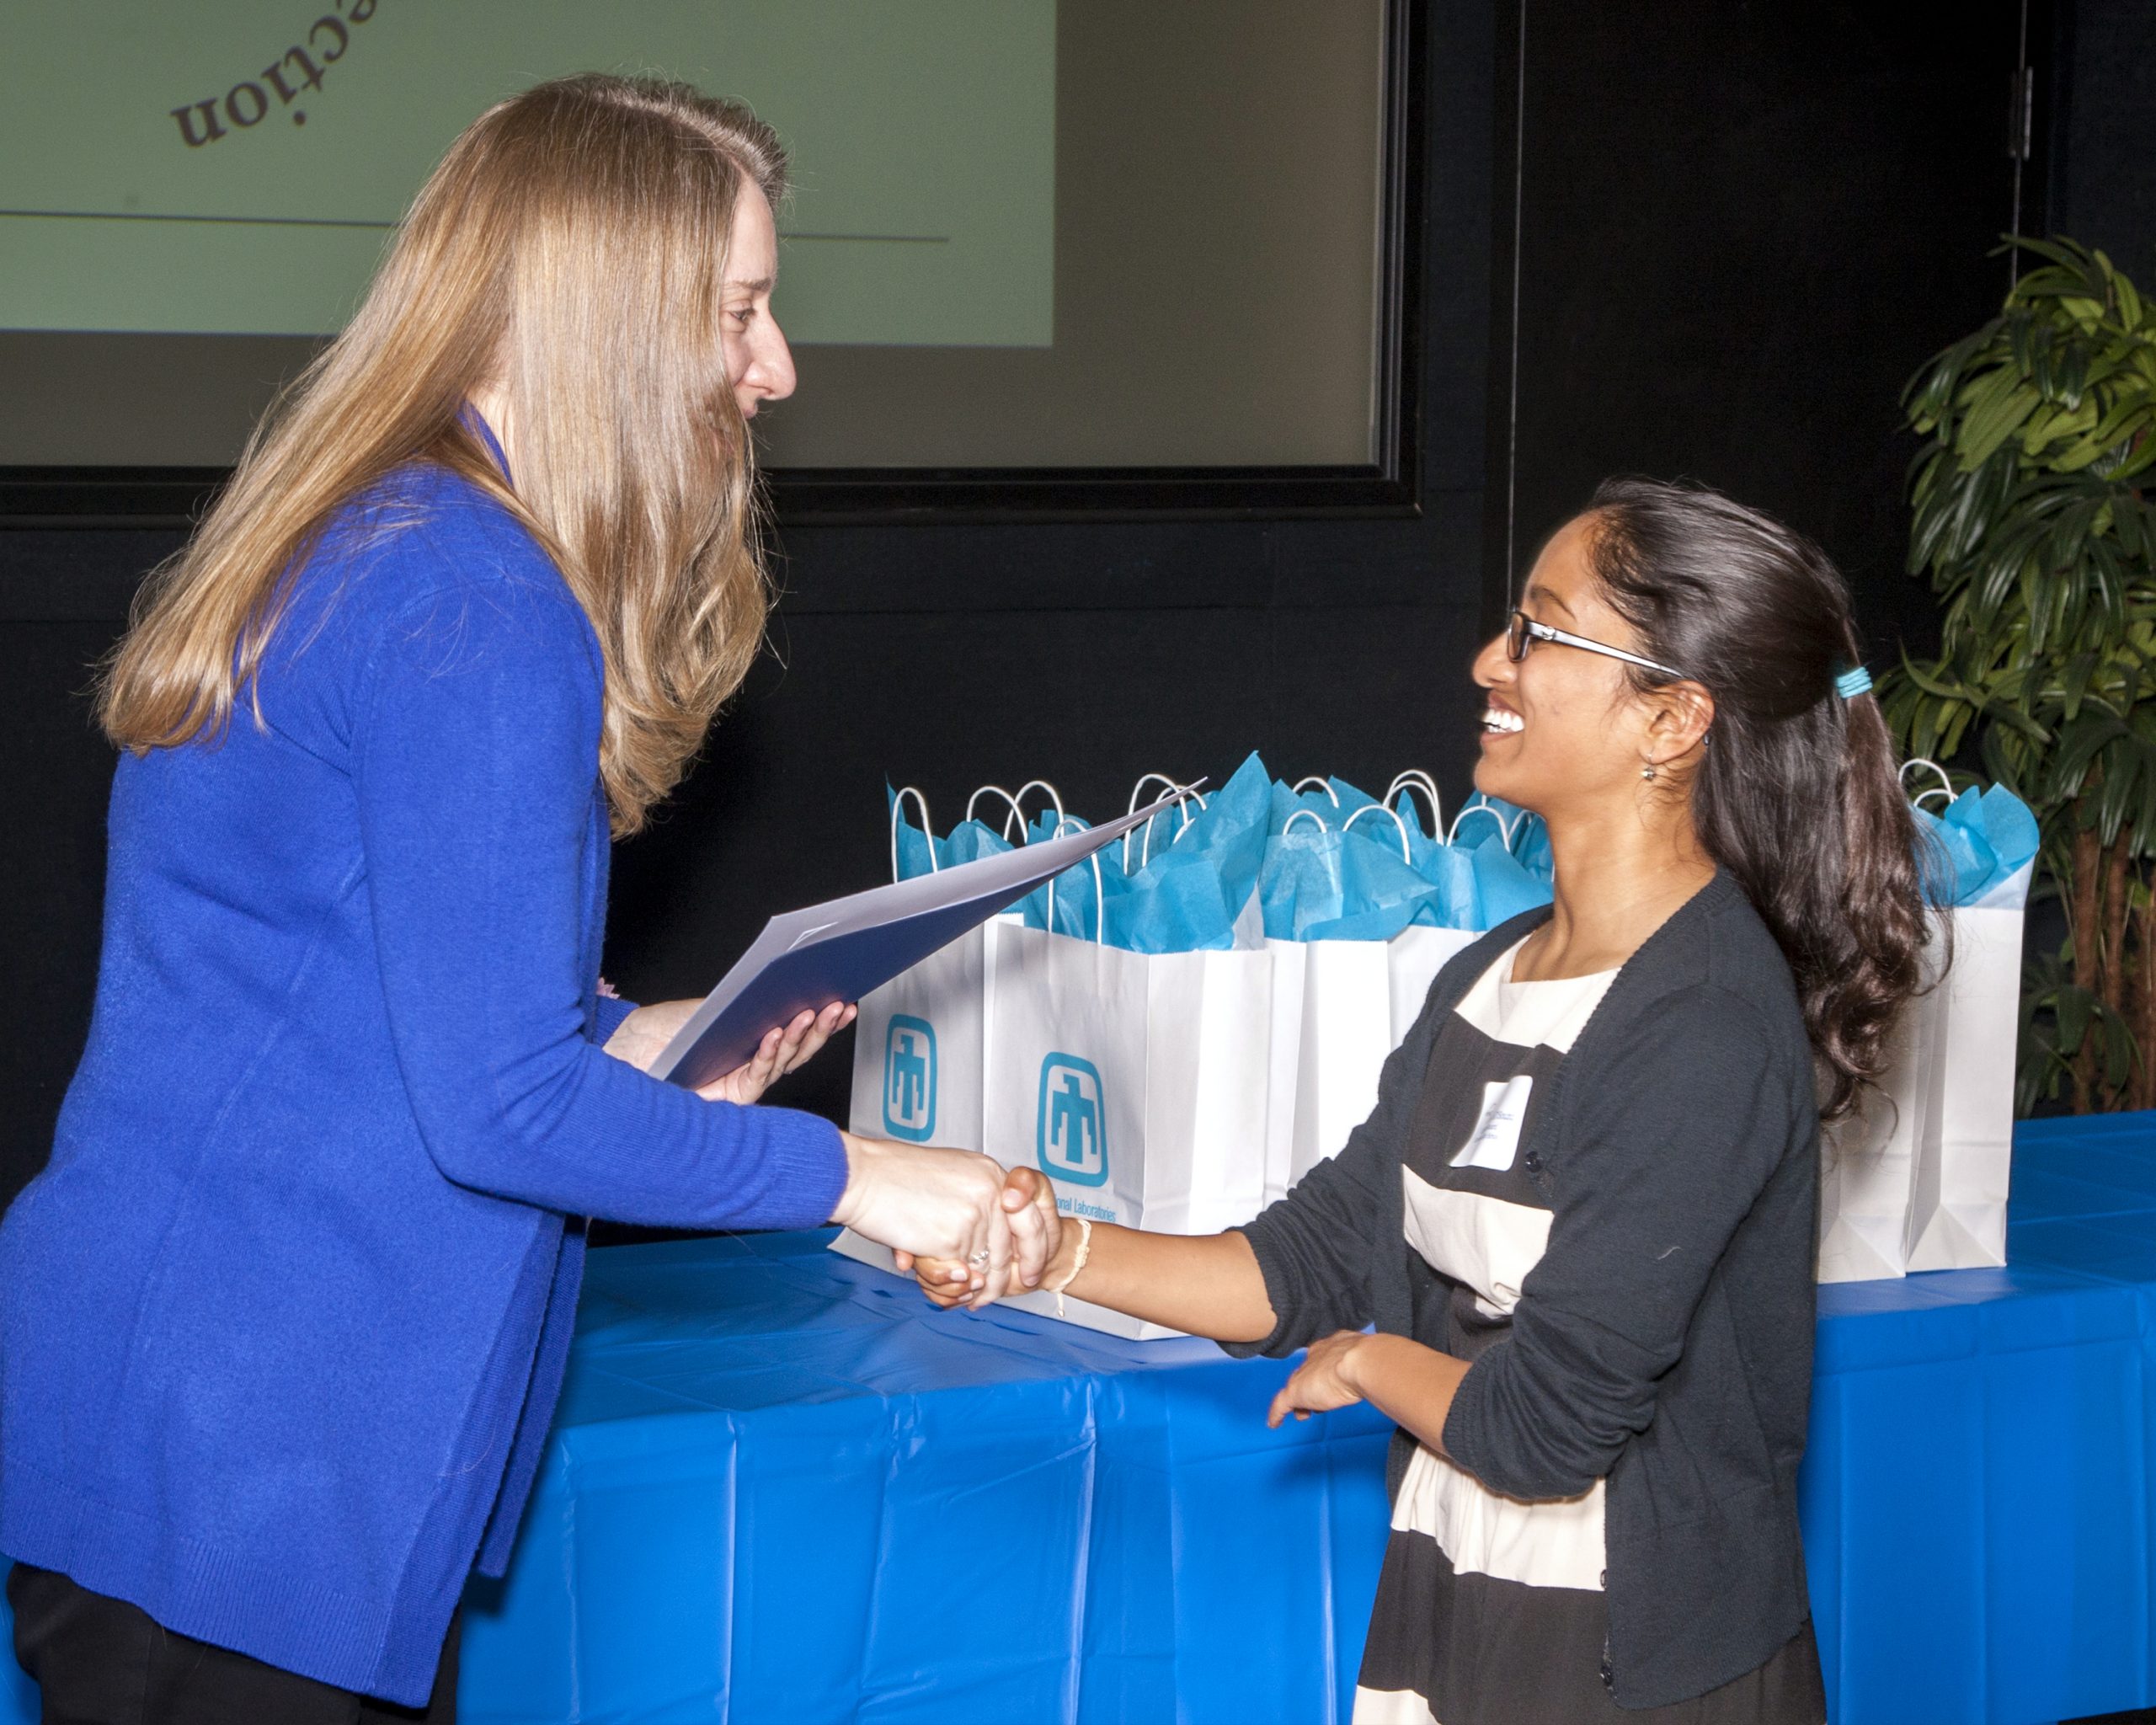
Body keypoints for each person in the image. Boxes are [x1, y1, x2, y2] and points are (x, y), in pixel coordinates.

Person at [0, 76, 1045, 1723]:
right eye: (741, 312)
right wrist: (866, 1178)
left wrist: (644, 1044)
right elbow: (493, 1108)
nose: (776, 368)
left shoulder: (393, 541)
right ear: (607, 316)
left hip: (192, 1422)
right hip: (250, 1446)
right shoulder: (474, 599)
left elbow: (367, 1000)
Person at [910, 478, 1931, 1722]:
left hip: (1634, 1666)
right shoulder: (1486, 975)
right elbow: (1315, 1258)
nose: (1488, 659)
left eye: (1541, 633)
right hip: (1465, 1605)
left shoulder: (1704, 1022)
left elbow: (1548, 1426)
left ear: (1672, 719)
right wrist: (1048, 1252)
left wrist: (1368, 1363)